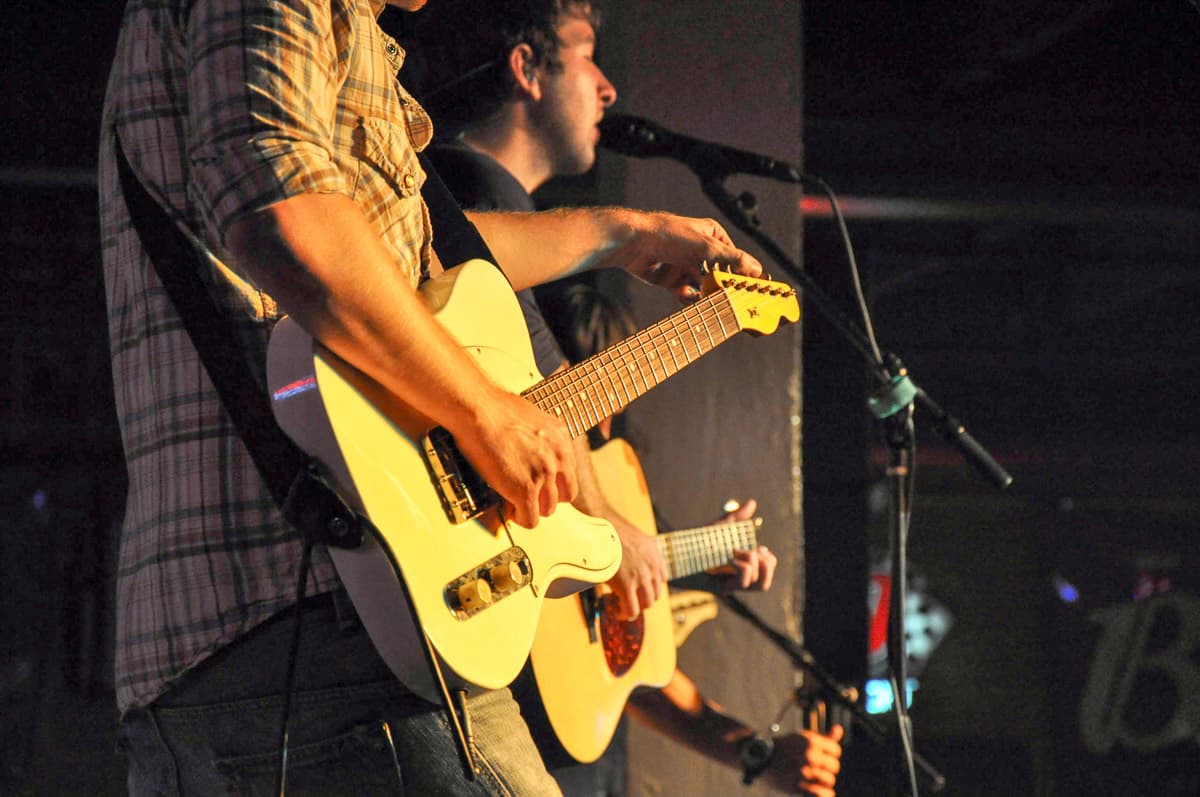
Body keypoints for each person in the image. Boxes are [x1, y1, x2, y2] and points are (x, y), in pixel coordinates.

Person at [98, 0, 765, 795]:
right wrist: (485, 411)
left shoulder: (357, 36)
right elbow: (279, 210)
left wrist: (628, 234)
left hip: (269, 632)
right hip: (323, 611)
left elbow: (413, 257)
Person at [409, 2, 844, 795]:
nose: (609, 89)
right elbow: (539, 415)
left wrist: (680, 560)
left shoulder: (506, 217)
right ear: (525, 67)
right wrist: (612, 525)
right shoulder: (465, 195)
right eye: (587, 54)